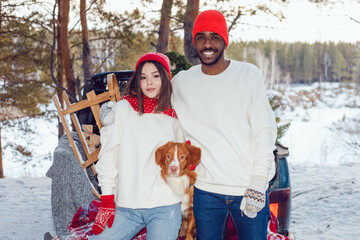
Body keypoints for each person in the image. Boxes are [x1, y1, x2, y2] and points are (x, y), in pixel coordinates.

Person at [170, 10, 277, 240]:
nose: (207, 43)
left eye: (214, 37)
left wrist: (259, 181)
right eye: (201, 37)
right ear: (194, 42)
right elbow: (156, 103)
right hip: (207, 191)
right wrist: (118, 110)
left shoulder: (248, 75)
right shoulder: (182, 83)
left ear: (224, 41)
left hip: (248, 187)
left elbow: (264, 128)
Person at [91, 52, 184, 240]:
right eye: (143, 77)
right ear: (137, 81)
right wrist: (107, 199)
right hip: (127, 207)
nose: (149, 82)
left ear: (166, 79)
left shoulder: (175, 115)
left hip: (165, 207)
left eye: (155, 76)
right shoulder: (125, 109)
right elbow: (109, 153)